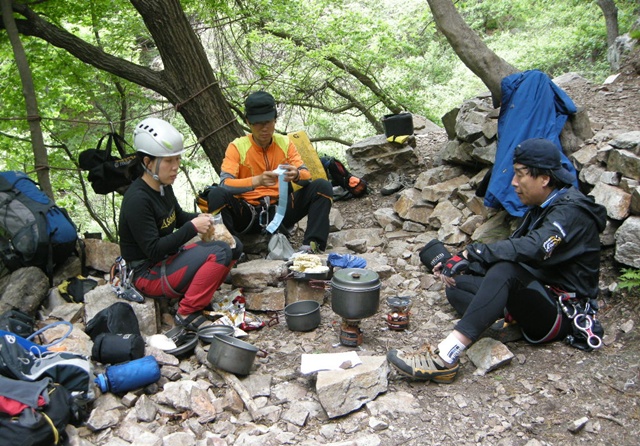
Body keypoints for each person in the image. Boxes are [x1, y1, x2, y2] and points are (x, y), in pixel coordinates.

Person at [387, 138, 607, 383]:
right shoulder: (543, 207)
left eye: (520, 175)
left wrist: (474, 253)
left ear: (544, 178)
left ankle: (445, 358)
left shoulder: (570, 212)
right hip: (538, 296)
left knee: (505, 271)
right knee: (457, 285)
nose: (513, 182)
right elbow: (515, 252)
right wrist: (461, 264)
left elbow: (532, 249)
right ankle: (499, 318)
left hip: (561, 314)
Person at [119, 117, 243, 327]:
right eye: (169, 161)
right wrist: (192, 228)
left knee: (234, 245)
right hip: (147, 274)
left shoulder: (163, 186)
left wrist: (201, 218)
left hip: (167, 261)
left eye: (177, 159)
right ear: (147, 162)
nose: (175, 167)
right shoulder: (137, 200)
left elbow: (177, 217)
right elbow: (153, 250)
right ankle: (186, 312)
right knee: (220, 252)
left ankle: (198, 293)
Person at [206, 91, 333, 253]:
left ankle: (312, 245)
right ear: (248, 122)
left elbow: (306, 175)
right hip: (248, 214)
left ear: (275, 119)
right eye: (257, 123)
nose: (264, 129)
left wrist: (297, 175)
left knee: (322, 186)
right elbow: (225, 184)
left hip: (281, 211)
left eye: (268, 122)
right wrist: (257, 181)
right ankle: (228, 251)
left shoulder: (285, 143)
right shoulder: (237, 147)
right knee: (216, 194)